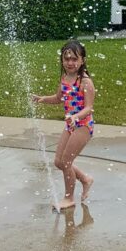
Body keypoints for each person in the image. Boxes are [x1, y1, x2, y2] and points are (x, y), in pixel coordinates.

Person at [32, 39, 95, 210]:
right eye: (66, 59)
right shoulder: (65, 78)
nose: (70, 62)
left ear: (82, 60)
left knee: (66, 162)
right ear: (62, 60)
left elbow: (89, 108)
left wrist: (76, 116)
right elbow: (59, 98)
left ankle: (69, 198)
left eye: (74, 59)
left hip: (83, 126)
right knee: (59, 162)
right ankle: (85, 179)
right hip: (71, 125)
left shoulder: (85, 82)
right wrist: (43, 99)